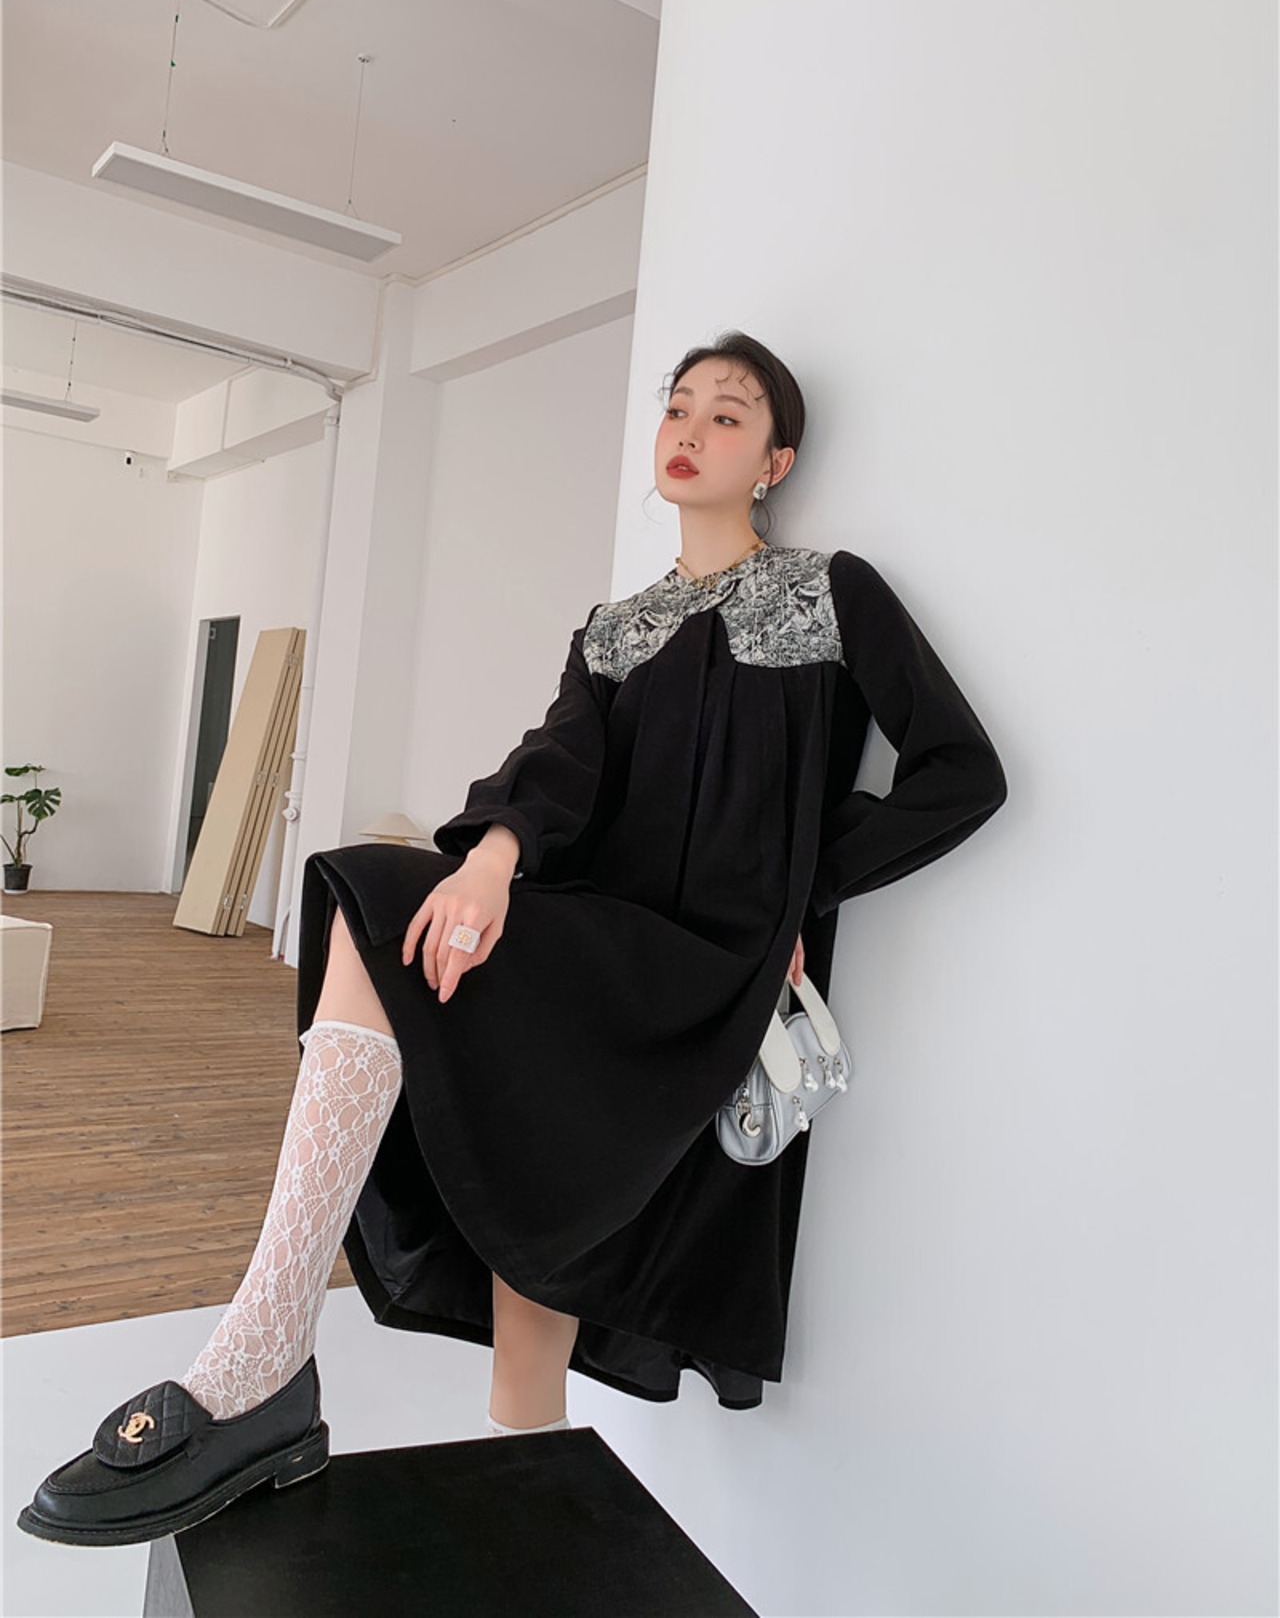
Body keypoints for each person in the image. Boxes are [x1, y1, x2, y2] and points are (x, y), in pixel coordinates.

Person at [18, 331, 1008, 1548]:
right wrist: (487, 861)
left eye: (727, 415)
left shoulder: (831, 592)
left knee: (428, 979)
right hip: (598, 937)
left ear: (774, 460)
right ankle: (404, 1419)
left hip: (709, 966)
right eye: (677, 407)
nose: (689, 430)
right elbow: (556, 766)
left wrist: (799, 898)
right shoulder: (614, 628)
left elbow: (959, 771)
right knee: (404, 934)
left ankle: (264, 1363)